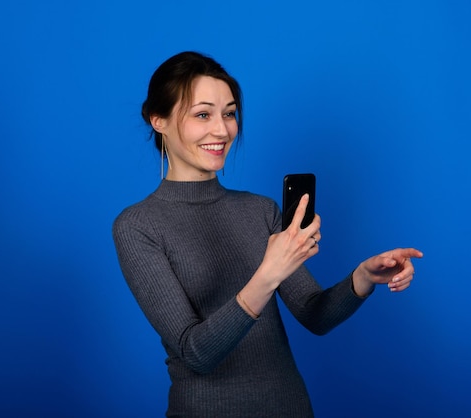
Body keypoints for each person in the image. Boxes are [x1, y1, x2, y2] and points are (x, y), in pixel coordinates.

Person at [112, 51, 423, 418]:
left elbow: (315, 315)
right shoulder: (138, 226)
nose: (222, 129)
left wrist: (362, 278)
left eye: (229, 113)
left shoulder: (260, 210)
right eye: (202, 114)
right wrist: (268, 273)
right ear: (158, 120)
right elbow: (197, 353)